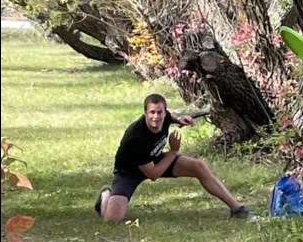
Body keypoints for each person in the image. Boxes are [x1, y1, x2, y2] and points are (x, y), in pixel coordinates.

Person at [94, 94, 250, 222]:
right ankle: (106, 194)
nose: (156, 117)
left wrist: (180, 119)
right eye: (152, 113)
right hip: (128, 172)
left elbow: (171, 116)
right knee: (112, 220)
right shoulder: (136, 137)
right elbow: (153, 174)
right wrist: (173, 151)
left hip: (153, 158)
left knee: (199, 166)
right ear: (145, 113)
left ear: (164, 111)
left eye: (159, 112)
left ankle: (237, 209)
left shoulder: (166, 116)